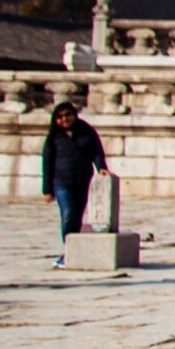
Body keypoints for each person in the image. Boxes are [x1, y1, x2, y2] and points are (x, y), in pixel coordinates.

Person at [39, 101, 110, 268]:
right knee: (68, 214)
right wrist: (47, 189)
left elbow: (97, 152)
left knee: (77, 217)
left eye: (68, 115)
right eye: (60, 117)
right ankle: (69, 250)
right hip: (61, 182)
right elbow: (47, 163)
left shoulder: (86, 132)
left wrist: (101, 168)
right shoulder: (54, 137)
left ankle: (74, 251)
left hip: (82, 181)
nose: (64, 119)